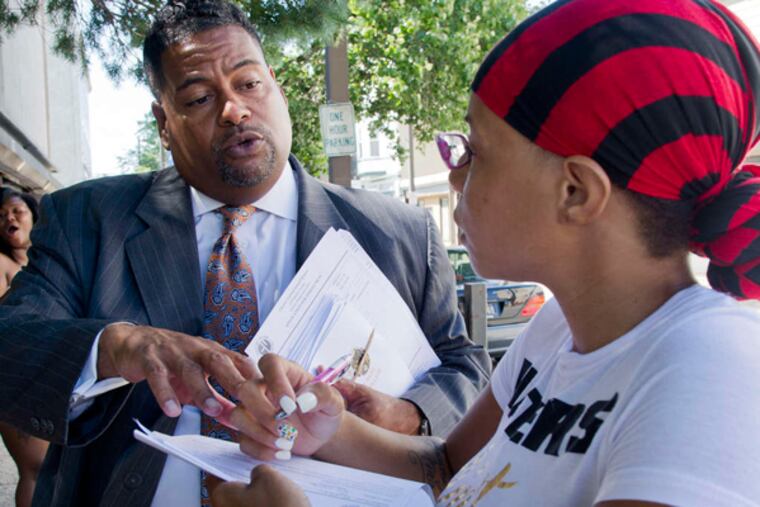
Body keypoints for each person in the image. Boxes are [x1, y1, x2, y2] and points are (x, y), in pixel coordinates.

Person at [212, 0, 760, 505]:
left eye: (475, 151)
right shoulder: (555, 333)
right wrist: (331, 432)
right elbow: (449, 465)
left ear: (576, 193)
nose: (454, 176)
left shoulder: (709, 362)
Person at [0, 1, 491, 505]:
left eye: (249, 83)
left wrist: (406, 415)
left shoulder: (397, 232)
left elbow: (466, 367)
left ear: (275, 85)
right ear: (162, 122)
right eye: (198, 98)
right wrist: (117, 347)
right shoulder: (88, 220)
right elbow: (10, 347)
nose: (234, 109)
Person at [0, 188, 48, 507]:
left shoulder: (48, 260)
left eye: (17, 211)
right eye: (1, 215)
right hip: (14, 374)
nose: (10, 218)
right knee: (35, 469)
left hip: (49, 369)